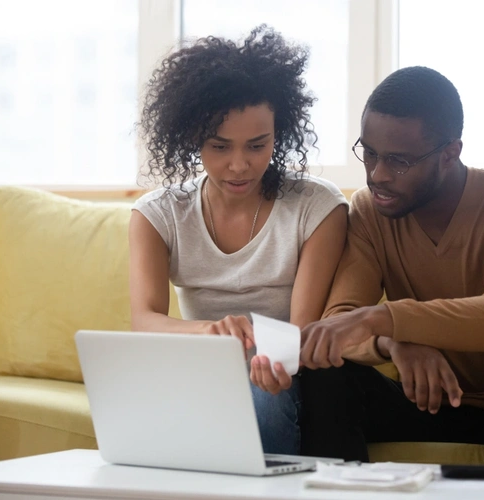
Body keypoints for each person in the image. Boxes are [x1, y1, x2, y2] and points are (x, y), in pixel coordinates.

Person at [257, 66, 484, 470]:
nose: (377, 175)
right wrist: (395, 343)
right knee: (328, 374)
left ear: (450, 153)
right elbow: (339, 322)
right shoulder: (368, 211)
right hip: (427, 406)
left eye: (398, 161)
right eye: (370, 153)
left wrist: (384, 320)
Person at [128, 25, 348, 456]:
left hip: (279, 375)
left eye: (257, 144)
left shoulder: (318, 208)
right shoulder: (157, 215)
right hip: (196, 368)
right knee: (138, 403)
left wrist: (258, 355)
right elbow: (144, 320)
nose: (239, 165)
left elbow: (300, 332)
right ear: (192, 138)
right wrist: (210, 331)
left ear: (278, 133)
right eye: (219, 146)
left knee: (262, 398)